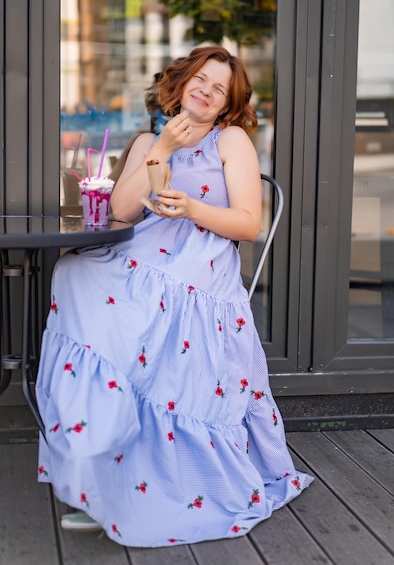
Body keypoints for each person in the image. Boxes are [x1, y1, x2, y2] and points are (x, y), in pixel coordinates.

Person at [36, 45, 313, 548]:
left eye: (219, 87)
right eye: (200, 80)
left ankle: (137, 475)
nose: (206, 91)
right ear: (182, 82)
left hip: (200, 263)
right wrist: (161, 147)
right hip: (145, 251)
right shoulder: (149, 139)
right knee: (74, 273)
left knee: (149, 305)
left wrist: (190, 208)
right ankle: (100, 449)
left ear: (228, 101)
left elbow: (250, 224)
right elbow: (122, 211)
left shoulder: (232, 141)